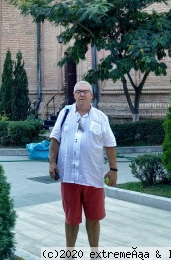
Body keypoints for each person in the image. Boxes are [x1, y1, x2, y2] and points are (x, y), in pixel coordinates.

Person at [49, 81, 118, 250]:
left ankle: (94, 253)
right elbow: (55, 138)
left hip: (92, 176)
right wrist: (52, 162)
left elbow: (109, 144)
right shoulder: (65, 113)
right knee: (71, 218)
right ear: (73, 95)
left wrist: (113, 169)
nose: (82, 95)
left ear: (91, 95)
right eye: (78, 91)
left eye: (86, 92)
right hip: (69, 177)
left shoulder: (101, 118)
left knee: (94, 218)